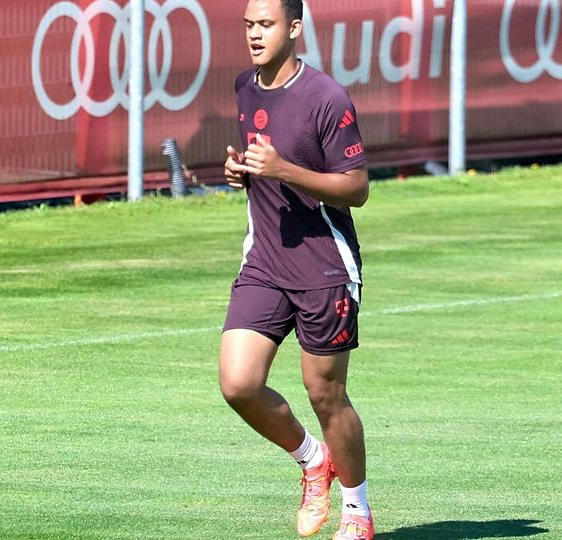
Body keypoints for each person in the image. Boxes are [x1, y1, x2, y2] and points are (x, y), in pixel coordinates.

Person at [218, 1, 373, 538]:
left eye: (265, 25)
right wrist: (243, 171)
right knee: (238, 384)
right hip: (264, 261)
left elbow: (357, 188)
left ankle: (357, 511)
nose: (255, 36)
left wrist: (283, 169)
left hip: (324, 268)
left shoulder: (327, 98)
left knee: (325, 393)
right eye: (248, 26)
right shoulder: (244, 86)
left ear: (294, 28)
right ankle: (312, 461)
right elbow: (262, 165)